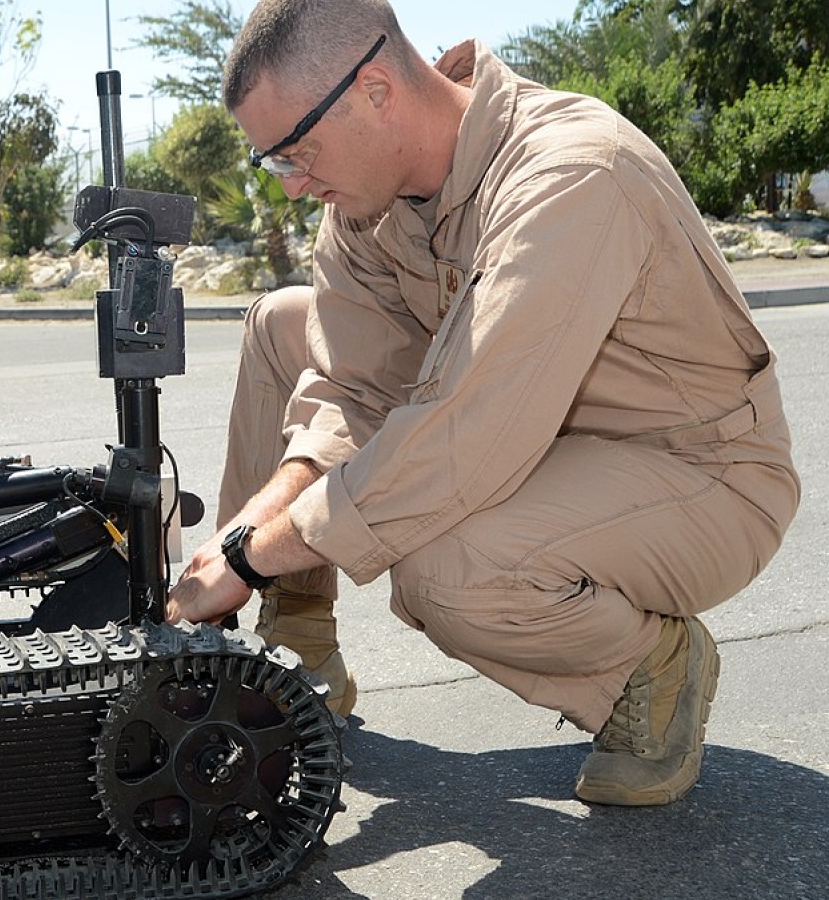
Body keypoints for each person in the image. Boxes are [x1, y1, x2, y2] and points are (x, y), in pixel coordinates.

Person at [166, 0, 799, 807]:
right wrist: (243, 542)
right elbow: (350, 389)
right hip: (531, 434)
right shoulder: (363, 204)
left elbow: (464, 439)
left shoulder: (571, 173)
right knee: (283, 324)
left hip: (697, 472)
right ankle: (294, 642)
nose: (293, 186)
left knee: (445, 569)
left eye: (298, 152)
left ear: (375, 90)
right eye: (274, 163)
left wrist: (255, 553)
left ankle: (647, 666)